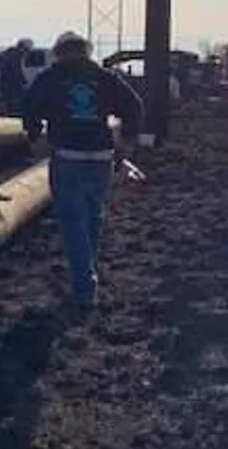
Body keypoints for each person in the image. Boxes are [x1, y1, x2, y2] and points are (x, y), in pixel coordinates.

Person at [21, 30, 144, 312]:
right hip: (101, 157)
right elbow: (134, 106)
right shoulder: (103, 77)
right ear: (86, 51)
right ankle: (88, 273)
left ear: (60, 51)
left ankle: (84, 289)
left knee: (73, 221)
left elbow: (29, 105)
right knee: (92, 216)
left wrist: (34, 134)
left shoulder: (53, 77)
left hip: (68, 157)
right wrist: (127, 141)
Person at [0, 38, 34, 116]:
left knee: (10, 102)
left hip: (7, 83)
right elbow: (17, 70)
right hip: (12, 83)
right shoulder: (16, 56)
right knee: (16, 101)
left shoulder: (9, 54)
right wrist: (24, 82)